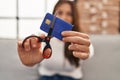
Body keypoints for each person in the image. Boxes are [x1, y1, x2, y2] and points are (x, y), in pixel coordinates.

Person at [17, 0, 94, 80]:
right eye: (60, 13)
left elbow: (89, 50)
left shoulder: (79, 39)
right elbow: (34, 54)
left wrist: (86, 51)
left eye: (69, 14)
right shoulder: (41, 37)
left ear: (74, 17)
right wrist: (30, 62)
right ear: (53, 16)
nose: (64, 17)